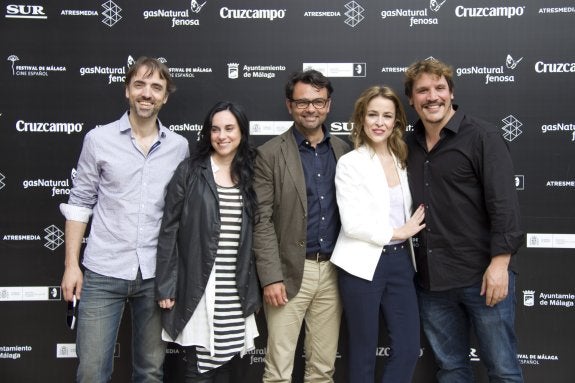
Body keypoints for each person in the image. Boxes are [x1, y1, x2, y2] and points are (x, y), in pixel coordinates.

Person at [59, 56, 189, 382]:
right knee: (91, 372)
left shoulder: (179, 147)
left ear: (165, 96)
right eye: (140, 85)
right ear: (127, 91)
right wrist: (71, 266)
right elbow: (79, 204)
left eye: (156, 87)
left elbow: (181, 214)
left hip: (155, 276)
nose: (147, 93)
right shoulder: (98, 140)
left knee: (150, 372)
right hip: (103, 272)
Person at [404, 58, 524, 382]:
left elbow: (505, 206)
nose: (433, 97)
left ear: (451, 92)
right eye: (423, 90)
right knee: (452, 370)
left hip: (482, 278)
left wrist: (500, 265)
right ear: (412, 99)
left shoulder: (483, 136)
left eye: (439, 88)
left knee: (503, 370)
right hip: (431, 284)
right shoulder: (405, 145)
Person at [253, 69, 350, 382]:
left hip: (334, 271)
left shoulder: (344, 151)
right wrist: (270, 277)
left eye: (318, 102)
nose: (311, 109)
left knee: (322, 369)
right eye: (303, 102)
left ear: (329, 105)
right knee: (278, 370)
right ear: (289, 105)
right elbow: (261, 220)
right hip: (290, 272)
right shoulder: (269, 155)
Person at [155, 101, 261, 382]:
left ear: (242, 132)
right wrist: (166, 284)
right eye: (215, 129)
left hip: (235, 286)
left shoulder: (252, 172)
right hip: (199, 284)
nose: (222, 136)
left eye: (229, 128)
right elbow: (169, 231)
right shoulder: (190, 171)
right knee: (199, 364)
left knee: (224, 361)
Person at [330, 85, 426, 382]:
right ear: (361, 118)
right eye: (372, 115)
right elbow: (352, 223)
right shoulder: (350, 163)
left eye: (387, 116)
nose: (379, 122)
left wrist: (404, 236)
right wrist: (400, 230)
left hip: (400, 263)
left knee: (409, 348)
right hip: (361, 266)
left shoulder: (404, 159)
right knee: (362, 353)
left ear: (397, 121)